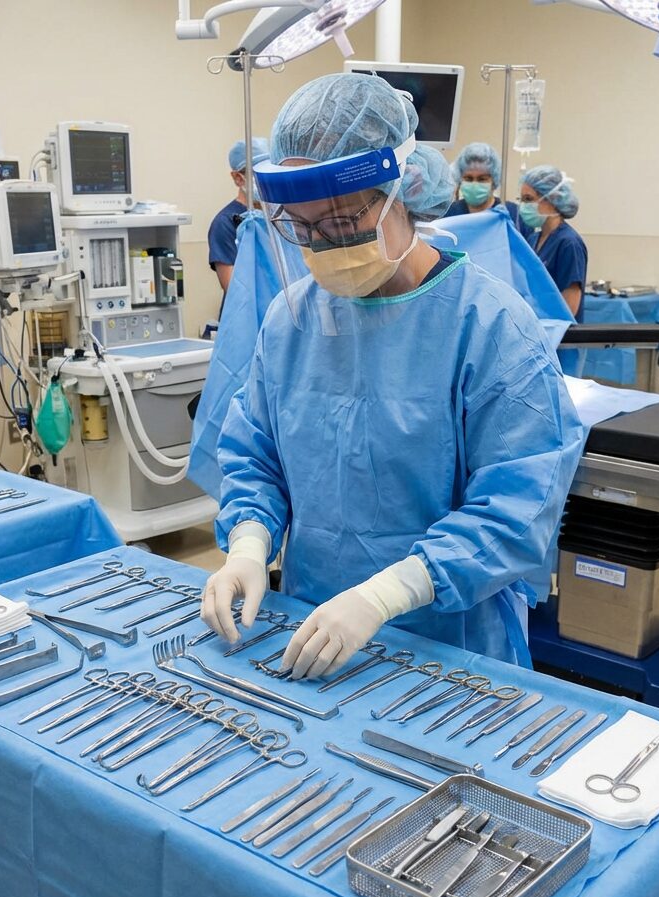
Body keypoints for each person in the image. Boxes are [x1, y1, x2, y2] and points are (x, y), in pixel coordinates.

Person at [200, 73, 584, 679]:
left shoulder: (489, 325)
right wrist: (249, 545)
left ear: (401, 191)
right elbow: (256, 454)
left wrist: (385, 595)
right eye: (303, 229)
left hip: (452, 642)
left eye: (344, 220)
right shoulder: (292, 318)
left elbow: (517, 504)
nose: (324, 244)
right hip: (314, 626)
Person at [519, 165, 588, 321]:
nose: (523, 206)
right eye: (521, 200)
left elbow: (570, 307)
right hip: (537, 331)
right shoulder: (533, 239)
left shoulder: (569, 243)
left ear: (553, 199)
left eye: (528, 199)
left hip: (559, 338)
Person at [208, 137, 270, 295]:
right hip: (247, 315)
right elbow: (233, 289)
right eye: (258, 174)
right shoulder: (225, 222)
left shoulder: (278, 214)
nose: (266, 180)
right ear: (237, 178)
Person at [445, 142, 517, 222]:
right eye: (469, 178)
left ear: (494, 181)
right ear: (460, 179)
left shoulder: (512, 213)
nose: (474, 184)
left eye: (482, 179)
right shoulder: (449, 213)